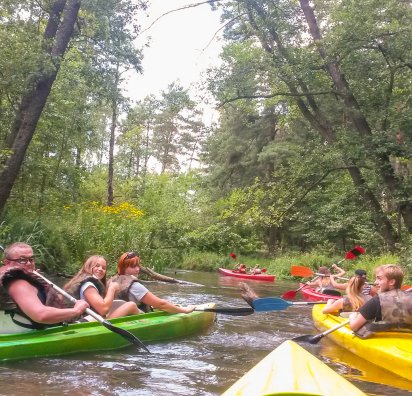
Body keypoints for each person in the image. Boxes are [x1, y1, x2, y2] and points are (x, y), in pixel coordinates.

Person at [0, 242, 89, 332]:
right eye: (22, 260)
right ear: (7, 262)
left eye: (31, 259)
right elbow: (41, 315)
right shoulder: (18, 283)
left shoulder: (22, 279)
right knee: (91, 320)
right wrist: (76, 311)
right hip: (32, 333)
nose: (28, 263)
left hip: (30, 329)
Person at [107, 252, 195, 314]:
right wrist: (185, 310)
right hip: (134, 318)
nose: (137, 269)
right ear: (123, 268)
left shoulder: (111, 280)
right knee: (164, 302)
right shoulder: (134, 286)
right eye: (133, 266)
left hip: (117, 317)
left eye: (138, 265)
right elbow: (162, 304)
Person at [64, 255, 139, 319]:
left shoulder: (88, 282)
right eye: (97, 266)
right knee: (131, 306)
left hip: (91, 320)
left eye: (104, 268)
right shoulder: (88, 285)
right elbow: (103, 309)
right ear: (88, 266)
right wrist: (111, 289)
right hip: (85, 324)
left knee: (123, 305)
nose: (100, 269)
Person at [350, 264, 412, 337]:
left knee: (354, 316)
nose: (375, 282)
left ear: (391, 282)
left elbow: (354, 327)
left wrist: (352, 316)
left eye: (379, 279)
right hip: (407, 342)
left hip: (383, 342)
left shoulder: (377, 300)